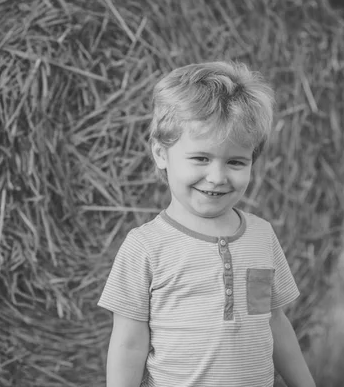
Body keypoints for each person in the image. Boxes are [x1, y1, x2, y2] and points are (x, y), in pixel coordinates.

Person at [98, 61, 316, 387]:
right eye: (201, 158)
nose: (217, 177)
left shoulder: (260, 237)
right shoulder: (146, 246)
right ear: (161, 154)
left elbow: (269, 320)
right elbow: (128, 343)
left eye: (236, 162)